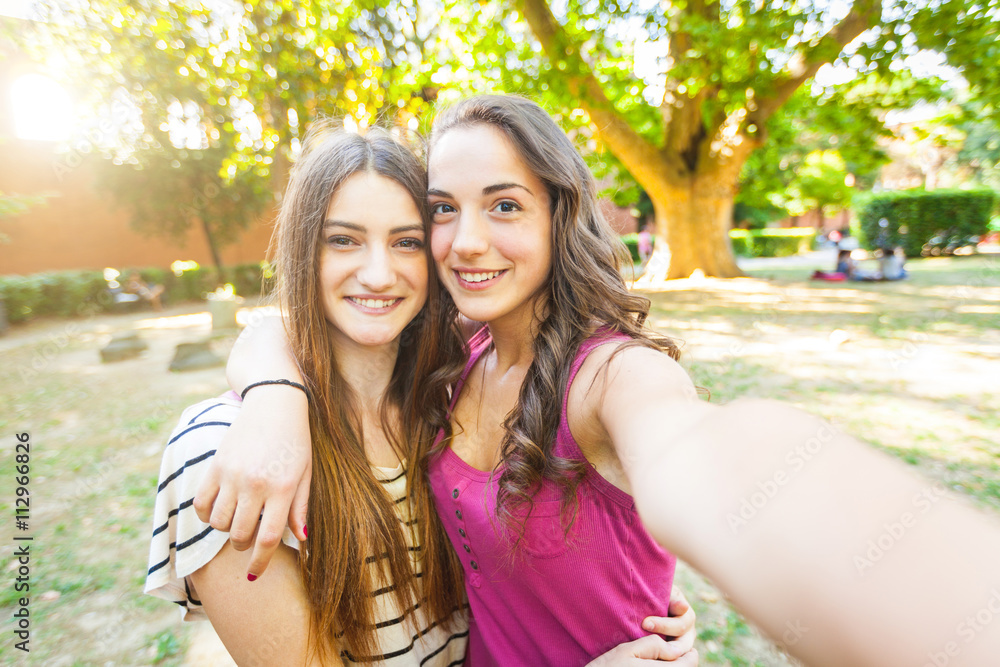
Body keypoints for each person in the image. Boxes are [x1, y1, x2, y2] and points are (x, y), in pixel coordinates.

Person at [199, 96, 1000, 666]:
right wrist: (274, 398)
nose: (467, 242)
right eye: (443, 209)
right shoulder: (455, 352)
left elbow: (707, 456)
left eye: (505, 205)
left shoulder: (613, 376)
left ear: (559, 213)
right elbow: (279, 325)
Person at [146, 126, 696, 666]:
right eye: (343, 240)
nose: (379, 275)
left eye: (407, 241)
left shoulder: (438, 390)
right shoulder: (231, 457)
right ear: (301, 251)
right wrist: (273, 396)